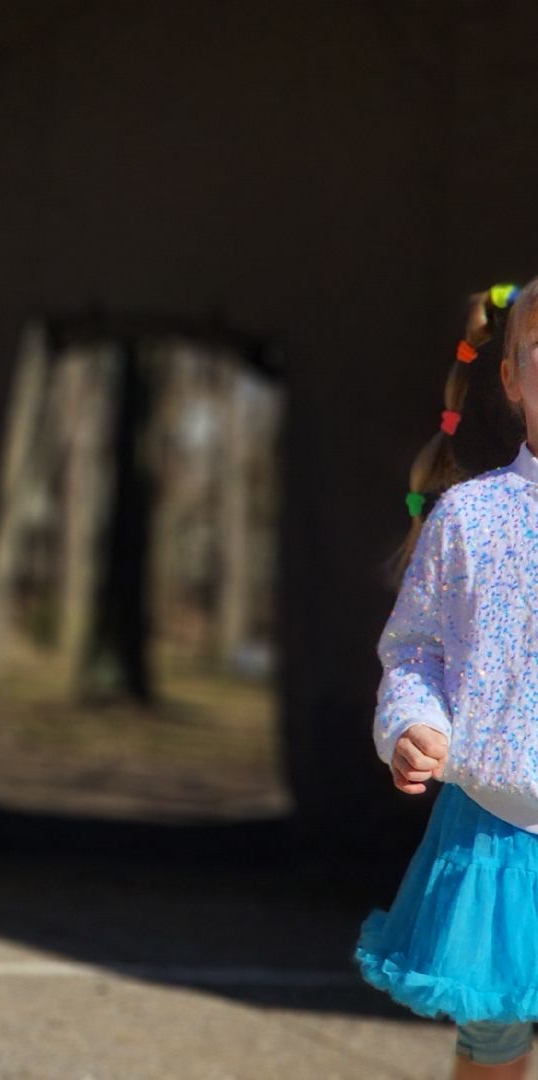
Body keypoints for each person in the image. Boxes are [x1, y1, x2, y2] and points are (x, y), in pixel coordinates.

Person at [356, 279, 538, 1078]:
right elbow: (416, 651)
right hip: (496, 835)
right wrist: (413, 724)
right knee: (494, 1045)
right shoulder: (469, 518)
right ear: (511, 377)